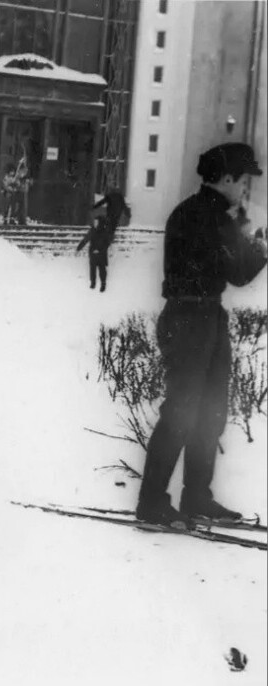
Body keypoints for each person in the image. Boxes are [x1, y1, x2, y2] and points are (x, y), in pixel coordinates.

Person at [136, 142, 267, 527]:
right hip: (191, 318)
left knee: (209, 412)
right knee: (183, 411)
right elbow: (239, 273)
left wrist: (245, 237)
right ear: (226, 178)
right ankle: (153, 503)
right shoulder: (209, 218)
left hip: (203, 315)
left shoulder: (203, 214)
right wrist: (259, 245)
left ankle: (196, 496)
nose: (246, 188)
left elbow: (231, 268)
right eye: (244, 180)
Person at [75, 191, 130, 292]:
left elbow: (106, 241)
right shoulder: (94, 230)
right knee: (93, 269)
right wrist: (79, 248)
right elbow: (86, 239)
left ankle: (102, 283)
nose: (95, 223)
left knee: (101, 269)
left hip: (100, 251)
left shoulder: (104, 231)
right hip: (95, 251)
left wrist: (100, 250)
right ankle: (93, 282)